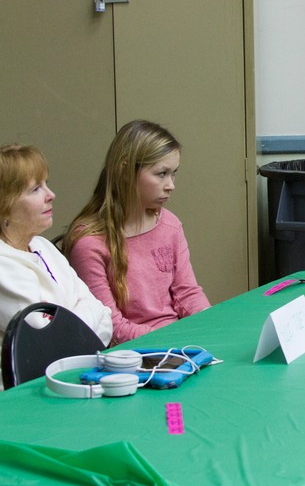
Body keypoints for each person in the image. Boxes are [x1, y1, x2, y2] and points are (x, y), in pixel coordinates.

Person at [64, 120, 210, 344]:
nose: (171, 185)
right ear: (125, 171)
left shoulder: (170, 225)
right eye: (161, 174)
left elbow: (187, 293)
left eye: (173, 173)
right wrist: (176, 338)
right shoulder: (89, 243)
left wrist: (211, 325)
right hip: (133, 355)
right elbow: (110, 327)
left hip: (178, 341)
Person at [0, 145, 112, 393]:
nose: (51, 194)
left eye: (46, 184)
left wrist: (74, 324)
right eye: (35, 189)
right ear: (2, 206)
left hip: (73, 380)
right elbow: (52, 344)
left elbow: (102, 312)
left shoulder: (41, 245)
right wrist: (81, 318)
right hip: (29, 400)